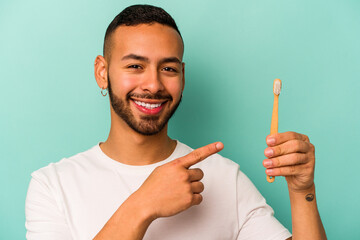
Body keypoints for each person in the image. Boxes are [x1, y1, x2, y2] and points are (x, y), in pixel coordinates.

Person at [25, 4, 326, 240]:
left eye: (168, 68)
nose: (153, 85)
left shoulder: (225, 179)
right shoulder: (52, 185)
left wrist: (302, 193)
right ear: (102, 71)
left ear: (182, 75)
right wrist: (142, 205)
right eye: (135, 65)